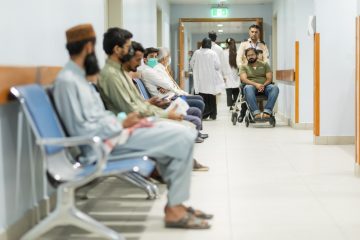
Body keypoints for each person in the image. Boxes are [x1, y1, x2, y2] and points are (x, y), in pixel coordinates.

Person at [53, 24, 212, 229]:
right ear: (88, 48)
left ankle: (176, 205)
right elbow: (82, 129)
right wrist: (120, 122)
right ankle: (174, 209)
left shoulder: (78, 79)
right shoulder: (68, 82)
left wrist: (122, 121)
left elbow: (97, 117)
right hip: (101, 144)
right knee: (181, 136)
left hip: (114, 132)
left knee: (181, 134)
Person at [139, 47, 206, 115]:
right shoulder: (148, 71)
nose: (154, 59)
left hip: (171, 96)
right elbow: (167, 84)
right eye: (151, 56)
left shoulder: (152, 69)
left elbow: (167, 84)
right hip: (167, 99)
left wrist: (163, 87)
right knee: (199, 103)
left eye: (155, 56)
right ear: (144, 59)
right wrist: (165, 87)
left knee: (199, 99)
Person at [190, 37, 224, 120]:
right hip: (210, 80)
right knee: (211, 98)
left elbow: (191, 64)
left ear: (202, 44)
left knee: (200, 97)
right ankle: (213, 115)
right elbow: (218, 66)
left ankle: (202, 114)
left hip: (199, 80)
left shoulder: (197, 53)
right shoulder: (213, 53)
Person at [239, 48, 279, 119]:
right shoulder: (243, 66)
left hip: (265, 86)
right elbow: (244, 79)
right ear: (246, 57)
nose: (250, 56)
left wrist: (263, 85)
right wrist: (256, 85)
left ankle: (267, 111)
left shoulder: (264, 64)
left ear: (256, 55)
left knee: (275, 88)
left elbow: (269, 78)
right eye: (248, 55)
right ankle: (256, 112)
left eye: (252, 54)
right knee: (248, 87)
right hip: (251, 87)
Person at [223, 38, 240, 110]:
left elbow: (222, 64)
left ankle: (231, 105)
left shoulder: (223, 52)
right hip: (235, 74)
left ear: (227, 44)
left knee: (229, 91)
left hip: (227, 75)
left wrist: (222, 75)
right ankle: (235, 105)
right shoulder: (237, 53)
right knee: (236, 91)